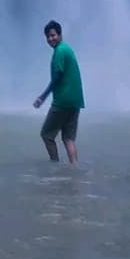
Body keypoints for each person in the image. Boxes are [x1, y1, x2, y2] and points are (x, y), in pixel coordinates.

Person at [32, 20, 84, 164]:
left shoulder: (59, 52)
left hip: (63, 101)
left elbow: (57, 78)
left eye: (53, 35)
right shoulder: (67, 49)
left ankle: (54, 165)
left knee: (47, 135)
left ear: (60, 35)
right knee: (68, 138)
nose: (50, 39)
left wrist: (42, 97)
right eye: (48, 37)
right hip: (76, 101)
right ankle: (74, 168)